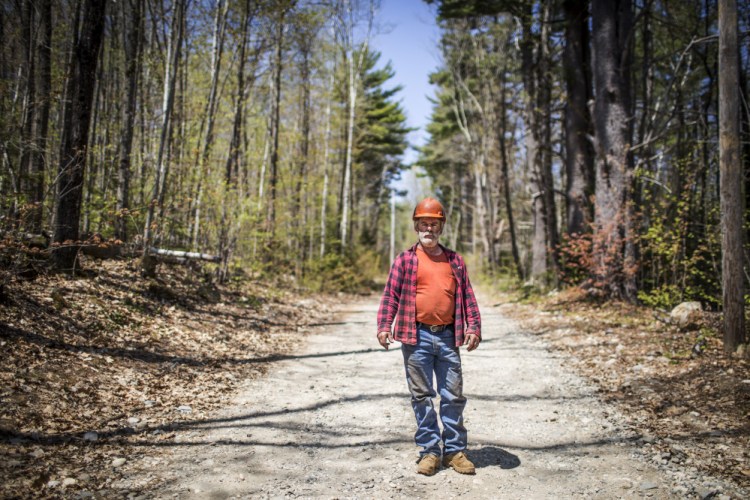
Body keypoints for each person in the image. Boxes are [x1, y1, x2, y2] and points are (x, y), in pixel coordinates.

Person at [376, 197, 481, 476]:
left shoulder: (455, 261)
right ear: (416, 227)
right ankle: (430, 451)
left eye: (434, 224)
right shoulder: (405, 260)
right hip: (416, 337)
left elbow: (468, 296)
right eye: (424, 223)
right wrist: (384, 325)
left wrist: (473, 327)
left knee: (453, 396)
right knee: (422, 397)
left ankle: (455, 451)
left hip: (448, 337)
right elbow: (390, 296)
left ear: (441, 227)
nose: (429, 229)